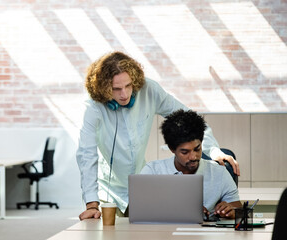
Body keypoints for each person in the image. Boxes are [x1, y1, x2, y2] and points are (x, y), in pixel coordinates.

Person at [76, 51, 240, 220]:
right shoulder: (92, 107)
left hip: (142, 186)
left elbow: (189, 118)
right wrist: (91, 204)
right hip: (108, 191)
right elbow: (86, 155)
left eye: (128, 86)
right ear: (104, 89)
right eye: (116, 89)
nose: (124, 95)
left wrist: (213, 150)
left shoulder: (149, 90)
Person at [140, 109, 242, 218]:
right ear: (172, 149)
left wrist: (232, 211)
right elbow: (139, 208)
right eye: (185, 152)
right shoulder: (152, 171)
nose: (193, 157)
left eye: (197, 149)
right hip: (163, 233)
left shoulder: (219, 172)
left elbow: (239, 209)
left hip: (204, 233)